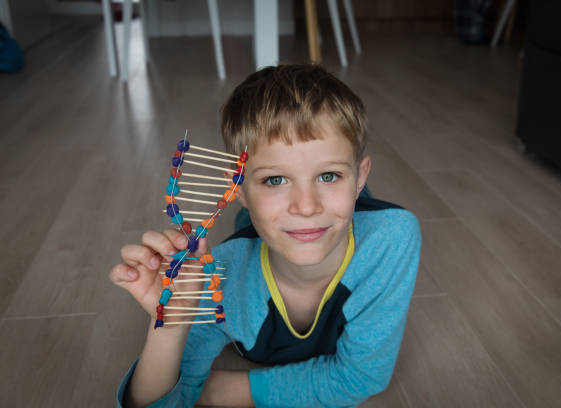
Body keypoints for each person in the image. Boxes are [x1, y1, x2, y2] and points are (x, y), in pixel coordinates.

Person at [109, 64, 421, 407]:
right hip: (253, 243)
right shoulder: (215, 280)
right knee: (259, 224)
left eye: (329, 175)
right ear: (238, 186)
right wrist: (169, 329)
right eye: (275, 179)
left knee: (312, 216)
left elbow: (361, 377)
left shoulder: (390, 237)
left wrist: (220, 390)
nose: (306, 205)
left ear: (360, 176)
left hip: (344, 215)